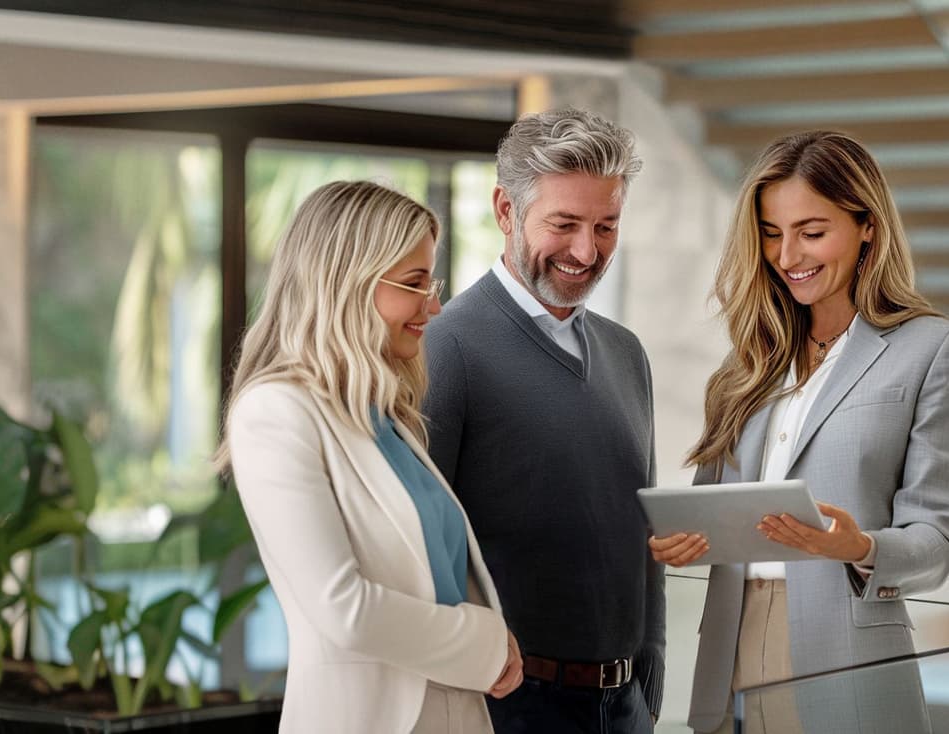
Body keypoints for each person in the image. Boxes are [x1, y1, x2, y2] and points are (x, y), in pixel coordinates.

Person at [651, 130, 949, 733]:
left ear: (867, 225)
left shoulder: (930, 349)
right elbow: (711, 511)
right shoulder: (745, 366)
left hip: (845, 653)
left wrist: (859, 547)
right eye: (772, 233)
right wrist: (680, 541)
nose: (787, 256)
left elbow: (937, 544)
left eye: (812, 232)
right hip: (731, 647)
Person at [217, 181, 524, 734]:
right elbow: (343, 607)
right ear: (346, 284)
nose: (433, 305)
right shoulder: (275, 412)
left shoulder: (386, 415)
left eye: (432, 282)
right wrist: (484, 645)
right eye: (414, 283)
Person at [422, 108, 663, 734]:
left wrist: (650, 675)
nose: (587, 251)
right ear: (506, 211)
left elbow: (645, 527)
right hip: (510, 707)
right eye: (565, 224)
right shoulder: (445, 350)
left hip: (626, 707)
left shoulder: (626, 353)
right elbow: (420, 549)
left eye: (607, 226)